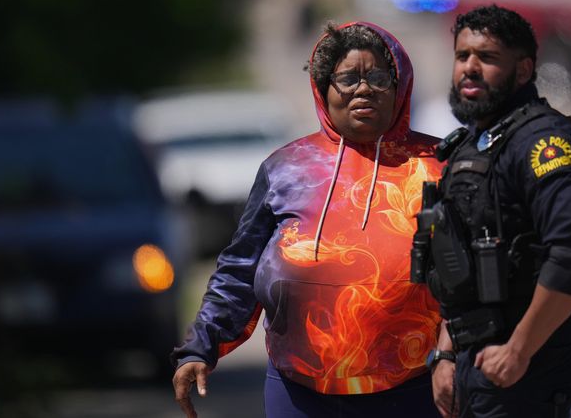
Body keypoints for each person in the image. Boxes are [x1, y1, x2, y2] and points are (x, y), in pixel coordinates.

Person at [171, 21, 446, 417]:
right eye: (348, 78)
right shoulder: (286, 169)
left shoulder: (441, 167)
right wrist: (200, 346)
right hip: (300, 393)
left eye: (379, 78)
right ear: (323, 87)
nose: (364, 89)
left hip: (416, 389)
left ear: (399, 86)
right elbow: (239, 270)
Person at [420, 4, 571, 417]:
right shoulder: (472, 145)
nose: (469, 68)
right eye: (462, 56)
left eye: (487, 57)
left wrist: (519, 350)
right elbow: (460, 266)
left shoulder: (545, 144)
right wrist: (446, 356)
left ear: (523, 70)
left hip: (527, 363)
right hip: (475, 356)